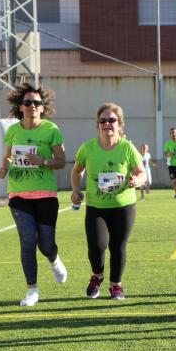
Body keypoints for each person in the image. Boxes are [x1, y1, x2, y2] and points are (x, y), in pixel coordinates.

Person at [0, 83, 68, 307]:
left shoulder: (51, 130)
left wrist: (43, 161)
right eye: (27, 102)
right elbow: (8, 157)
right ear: (21, 107)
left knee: (45, 244)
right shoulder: (13, 131)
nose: (32, 106)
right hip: (18, 194)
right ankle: (32, 290)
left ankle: (54, 259)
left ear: (42, 108)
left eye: (37, 103)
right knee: (28, 241)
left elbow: (61, 162)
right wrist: (4, 167)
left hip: (46, 194)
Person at [70, 103, 146, 300]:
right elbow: (77, 170)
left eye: (111, 120)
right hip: (97, 207)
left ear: (119, 124)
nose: (107, 124)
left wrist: (137, 180)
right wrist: (76, 189)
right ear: (98, 125)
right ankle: (97, 276)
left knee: (118, 246)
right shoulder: (88, 148)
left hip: (124, 206)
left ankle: (116, 286)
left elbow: (141, 172)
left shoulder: (127, 148)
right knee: (96, 246)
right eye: (102, 120)